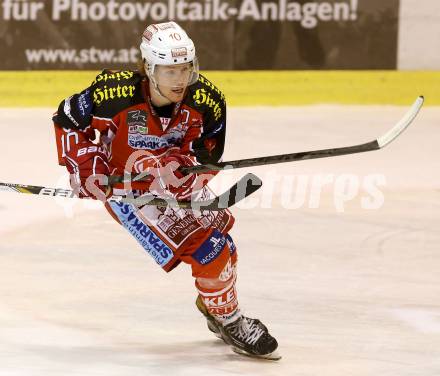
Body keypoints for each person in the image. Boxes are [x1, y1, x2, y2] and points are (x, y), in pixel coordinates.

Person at [52, 21, 279, 360]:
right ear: (148, 68)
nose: (179, 80)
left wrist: (187, 173)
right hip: (129, 192)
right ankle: (230, 320)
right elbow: (67, 119)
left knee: (224, 245)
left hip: (173, 184)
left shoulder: (207, 101)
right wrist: (86, 168)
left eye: (185, 69)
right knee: (211, 252)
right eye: (169, 71)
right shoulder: (112, 94)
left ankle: (212, 306)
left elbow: (208, 155)